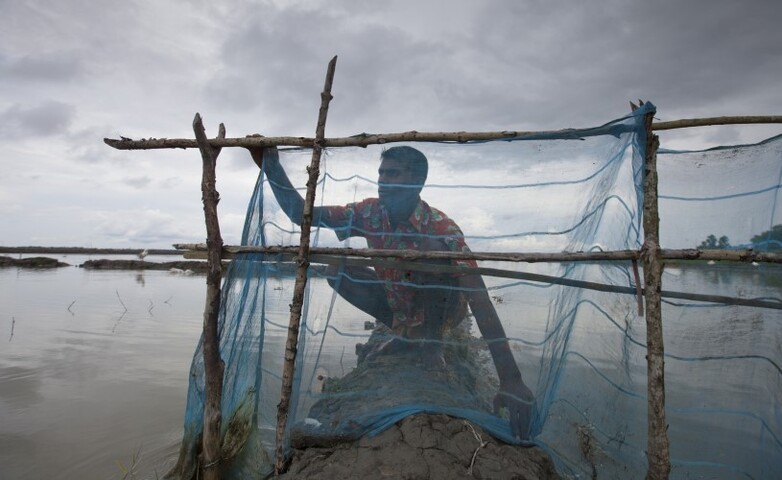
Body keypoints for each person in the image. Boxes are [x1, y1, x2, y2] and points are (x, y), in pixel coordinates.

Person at [247, 145, 534, 440]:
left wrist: (511, 380)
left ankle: (430, 342)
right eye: (382, 174)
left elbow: (479, 298)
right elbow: (301, 214)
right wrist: (271, 165)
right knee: (337, 270)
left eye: (393, 174)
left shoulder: (441, 228)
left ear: (417, 182)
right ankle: (404, 333)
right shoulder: (370, 213)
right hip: (400, 302)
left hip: (444, 310)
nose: (383, 181)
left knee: (430, 255)